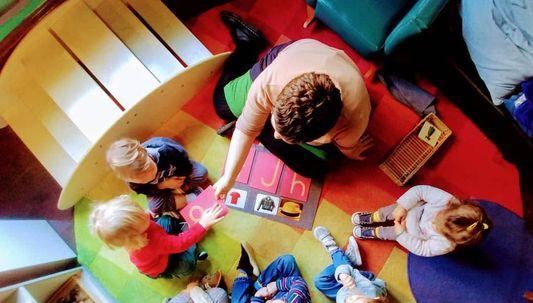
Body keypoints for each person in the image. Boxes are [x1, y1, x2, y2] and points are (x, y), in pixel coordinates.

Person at [212, 11, 372, 198]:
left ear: (323, 135)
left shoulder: (353, 123)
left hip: (325, 68)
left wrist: (350, 150)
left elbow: (348, 146)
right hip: (289, 56)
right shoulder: (269, 82)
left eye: (284, 134)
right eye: (275, 122)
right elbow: (246, 128)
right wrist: (228, 178)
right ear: (277, 101)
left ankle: (262, 123)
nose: (276, 135)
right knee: (222, 106)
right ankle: (248, 43)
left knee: (316, 168)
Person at [89, 195, 224, 278]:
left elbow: (150, 220)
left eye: (139, 210)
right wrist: (202, 225)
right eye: (142, 216)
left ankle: (183, 234)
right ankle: (175, 269)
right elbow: (179, 244)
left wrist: (150, 217)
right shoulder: (151, 243)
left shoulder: (135, 231)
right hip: (162, 265)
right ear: (135, 235)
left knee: (165, 219)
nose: (145, 212)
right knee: (187, 264)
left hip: (155, 247)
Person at [352, 185, 492, 257]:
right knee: (386, 212)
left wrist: (401, 234)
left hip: (407, 232)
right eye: (438, 217)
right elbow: (420, 191)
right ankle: (374, 217)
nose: (433, 223)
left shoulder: (446, 245)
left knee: (388, 233)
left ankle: (376, 232)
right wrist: (403, 207)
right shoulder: (447, 200)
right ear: (453, 206)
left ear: (452, 240)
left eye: (438, 228)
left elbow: (422, 249)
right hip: (410, 210)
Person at [106, 137, 208, 216]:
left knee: (201, 173)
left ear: (145, 152)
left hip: (177, 172)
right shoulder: (133, 182)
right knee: (154, 207)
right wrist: (161, 185)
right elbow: (146, 190)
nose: (151, 177)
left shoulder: (167, 151)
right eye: (143, 180)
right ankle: (189, 196)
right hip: (160, 188)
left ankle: (175, 194)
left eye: (151, 169)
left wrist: (181, 176)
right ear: (128, 179)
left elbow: (184, 163)